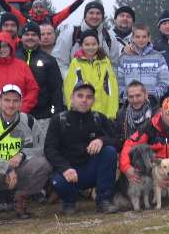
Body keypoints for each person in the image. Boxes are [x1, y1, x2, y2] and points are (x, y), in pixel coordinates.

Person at [0, 83, 50, 222]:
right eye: (7, 100)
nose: (11, 105)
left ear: (21, 103)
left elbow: (42, 148)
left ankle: (21, 198)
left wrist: (22, 155)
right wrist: (6, 167)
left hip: (18, 172)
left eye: (15, 101)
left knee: (43, 164)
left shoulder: (29, 121)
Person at [46, 81, 119, 214]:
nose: (84, 100)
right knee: (58, 181)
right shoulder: (58, 120)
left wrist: (101, 140)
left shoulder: (99, 118)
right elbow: (49, 149)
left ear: (93, 100)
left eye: (89, 97)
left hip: (91, 170)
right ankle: (68, 201)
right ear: (71, 98)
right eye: (80, 96)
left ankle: (104, 201)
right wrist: (65, 168)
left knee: (109, 152)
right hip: (68, 171)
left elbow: (117, 141)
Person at [0, 32, 39, 119]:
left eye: (5, 46)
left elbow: (33, 90)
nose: (2, 49)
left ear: (10, 46)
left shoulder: (22, 66)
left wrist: (21, 110)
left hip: (18, 119)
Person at [18, 22, 65, 135]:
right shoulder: (13, 58)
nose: (30, 37)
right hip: (15, 115)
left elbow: (56, 90)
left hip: (42, 117)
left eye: (34, 35)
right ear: (21, 37)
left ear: (38, 38)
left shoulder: (49, 60)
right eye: (27, 34)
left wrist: (55, 115)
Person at [63, 31, 119, 120]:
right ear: (81, 46)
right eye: (87, 44)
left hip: (104, 111)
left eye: (94, 44)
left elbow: (112, 87)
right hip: (82, 111)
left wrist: (113, 112)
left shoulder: (105, 61)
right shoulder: (76, 62)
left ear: (98, 44)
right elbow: (69, 87)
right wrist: (72, 109)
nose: (90, 47)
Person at [52, 0, 118, 71]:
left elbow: (114, 65)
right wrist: (73, 80)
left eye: (98, 13)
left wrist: (107, 81)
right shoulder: (70, 34)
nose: (94, 16)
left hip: (102, 81)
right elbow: (60, 62)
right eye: (91, 13)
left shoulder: (109, 37)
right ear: (85, 16)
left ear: (102, 16)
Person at [115, 24, 169, 104]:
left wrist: (153, 96)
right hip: (130, 104)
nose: (141, 40)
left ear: (149, 38)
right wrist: (127, 96)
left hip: (151, 104)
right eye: (137, 37)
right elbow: (119, 82)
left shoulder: (158, 57)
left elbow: (164, 82)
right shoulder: (124, 58)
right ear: (132, 38)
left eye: (144, 37)